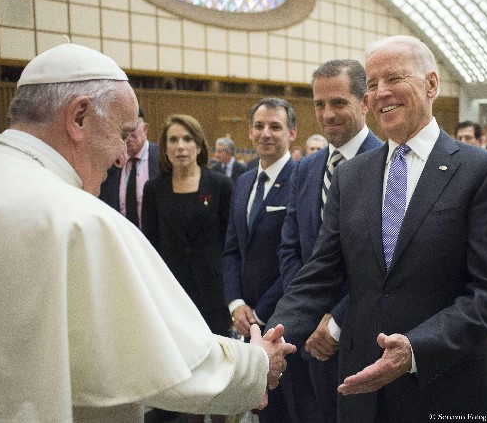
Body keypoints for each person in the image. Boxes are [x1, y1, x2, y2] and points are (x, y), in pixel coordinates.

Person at [0, 43, 295, 423]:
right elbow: (162, 360)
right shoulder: (80, 219)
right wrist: (257, 364)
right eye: (121, 133)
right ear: (79, 117)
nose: (122, 156)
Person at [267, 35, 487, 422]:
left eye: (394, 79)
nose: (380, 93)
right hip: (359, 387)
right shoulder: (351, 176)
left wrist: (416, 348)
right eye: (371, 83)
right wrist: (274, 339)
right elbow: (319, 274)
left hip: (443, 386)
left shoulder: (482, 172)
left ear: (431, 84)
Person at [278, 58, 382, 423]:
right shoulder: (305, 169)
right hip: (309, 339)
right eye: (319, 104)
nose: (327, 114)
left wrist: (335, 320)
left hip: (364, 336)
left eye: (338, 102)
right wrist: (308, 316)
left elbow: (386, 262)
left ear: (365, 102)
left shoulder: (390, 165)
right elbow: (291, 249)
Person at [223, 98, 321, 423]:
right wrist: (236, 303)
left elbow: (298, 257)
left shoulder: (302, 181)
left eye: (275, 126)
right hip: (245, 315)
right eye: (260, 126)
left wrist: (259, 314)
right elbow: (232, 250)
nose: (266, 133)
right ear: (250, 131)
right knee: (262, 410)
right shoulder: (243, 182)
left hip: (283, 319)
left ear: (292, 132)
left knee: (294, 411)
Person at [142, 114, 236, 423]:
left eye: (187, 139)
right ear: (165, 149)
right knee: (188, 368)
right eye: (173, 140)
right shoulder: (154, 190)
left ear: (199, 146)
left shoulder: (220, 184)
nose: (180, 146)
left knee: (219, 365)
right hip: (175, 294)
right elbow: (151, 245)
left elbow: (229, 241)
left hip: (214, 290)